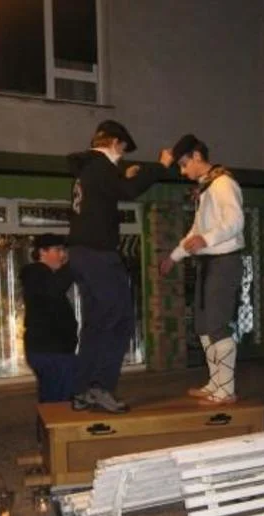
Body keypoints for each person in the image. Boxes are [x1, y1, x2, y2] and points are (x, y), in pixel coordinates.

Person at [67, 119, 172, 413]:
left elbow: (112, 189)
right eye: (123, 149)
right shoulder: (100, 167)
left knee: (96, 323)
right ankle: (100, 387)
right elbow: (128, 192)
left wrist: (124, 175)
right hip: (99, 254)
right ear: (114, 143)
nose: (122, 155)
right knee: (120, 319)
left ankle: (83, 388)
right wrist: (160, 167)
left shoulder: (87, 169)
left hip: (81, 253)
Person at [160, 134, 245, 405]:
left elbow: (235, 221)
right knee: (204, 326)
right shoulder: (208, 187)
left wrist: (206, 240)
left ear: (197, 156)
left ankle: (226, 389)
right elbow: (195, 232)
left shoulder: (223, 183)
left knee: (217, 326)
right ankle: (216, 383)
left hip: (224, 261)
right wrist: (174, 256)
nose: (183, 172)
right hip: (210, 263)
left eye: (184, 164)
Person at [20, 234, 78, 410]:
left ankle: (50, 426)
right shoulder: (35, 272)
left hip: (53, 350)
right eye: (58, 250)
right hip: (50, 351)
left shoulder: (44, 276)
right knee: (58, 402)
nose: (63, 255)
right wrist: (75, 263)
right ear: (42, 252)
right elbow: (55, 288)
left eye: (64, 250)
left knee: (54, 400)